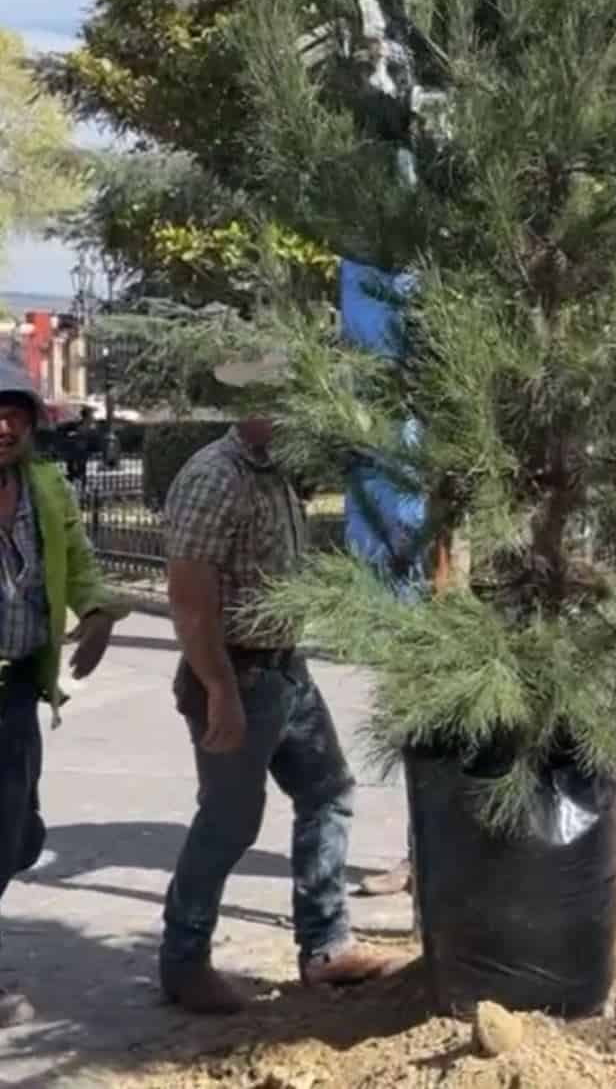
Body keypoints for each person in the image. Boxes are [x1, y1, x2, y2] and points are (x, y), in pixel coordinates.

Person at [159, 359, 405, 1015]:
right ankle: (183, 961)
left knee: (329, 791)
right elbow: (188, 598)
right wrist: (219, 689)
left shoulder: (276, 472)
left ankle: (325, 948)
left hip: (284, 668)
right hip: (235, 672)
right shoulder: (216, 477)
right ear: (248, 405)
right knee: (230, 821)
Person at [0, 372, 124, 1028]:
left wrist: (98, 609)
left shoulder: (43, 486)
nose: (2, 425)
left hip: (18, 687)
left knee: (19, 835)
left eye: (12, 411)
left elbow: (75, 556)